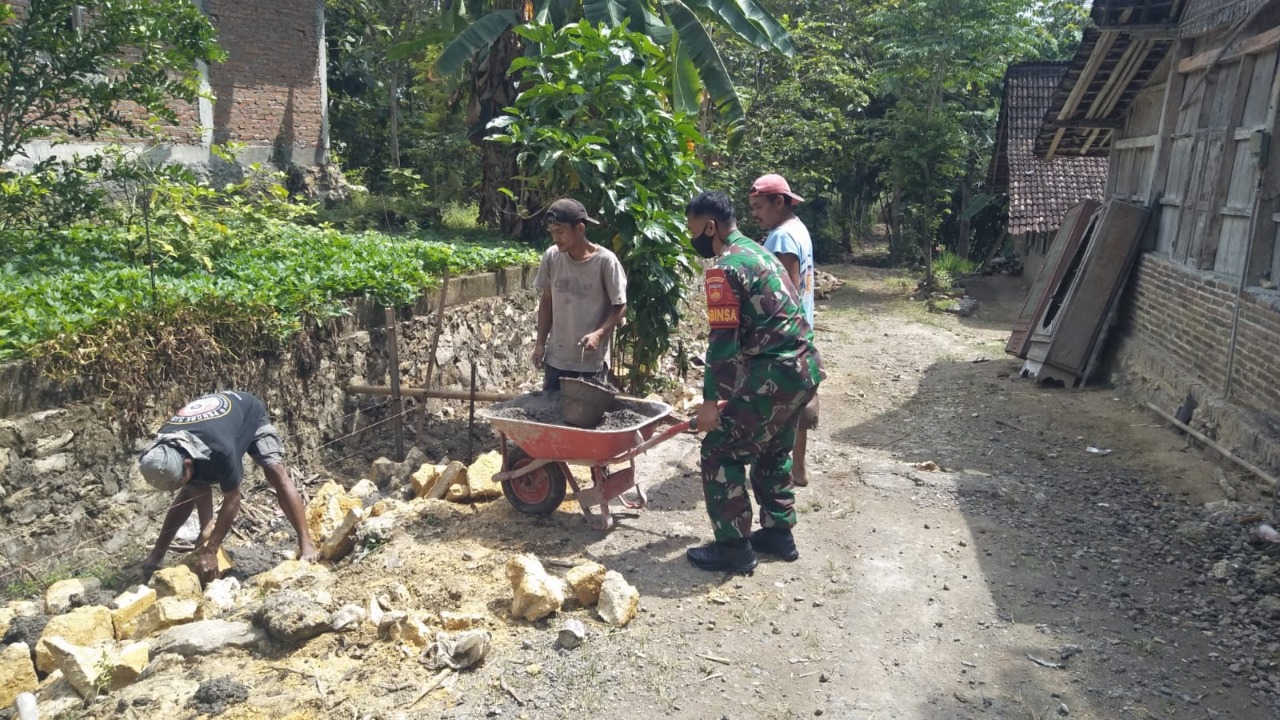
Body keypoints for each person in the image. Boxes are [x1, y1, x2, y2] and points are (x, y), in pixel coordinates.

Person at [684, 190, 825, 573]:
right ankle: (779, 534)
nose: (692, 238)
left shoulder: (725, 268)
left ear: (710, 226)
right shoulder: (761, 252)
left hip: (773, 372)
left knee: (719, 450)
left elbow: (722, 341)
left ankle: (732, 547)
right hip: (802, 369)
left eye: (693, 230)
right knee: (772, 449)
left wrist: (711, 403)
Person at [137, 390, 317, 583]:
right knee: (189, 489)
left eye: (179, 480)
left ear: (188, 463)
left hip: (248, 413)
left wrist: (212, 548)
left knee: (275, 471)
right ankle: (156, 556)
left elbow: (233, 499)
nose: (178, 485)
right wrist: (207, 528)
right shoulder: (162, 444)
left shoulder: (221, 449)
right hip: (209, 430)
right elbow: (195, 485)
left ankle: (306, 542)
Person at [749, 173, 820, 488]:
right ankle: (798, 469)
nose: (755, 214)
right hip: (802, 329)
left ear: (779, 202)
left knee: (777, 406)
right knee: (797, 403)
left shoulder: (781, 237)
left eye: (759, 206)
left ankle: (776, 471)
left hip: (784, 332)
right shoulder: (799, 229)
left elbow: (783, 290)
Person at [532, 198, 628, 391]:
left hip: (590, 363)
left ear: (580, 230)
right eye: (552, 233)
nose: (555, 238)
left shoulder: (605, 262)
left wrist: (599, 334)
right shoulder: (552, 257)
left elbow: (620, 306)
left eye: (560, 232)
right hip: (556, 360)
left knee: (586, 418)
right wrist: (540, 343)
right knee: (551, 414)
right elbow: (547, 302)